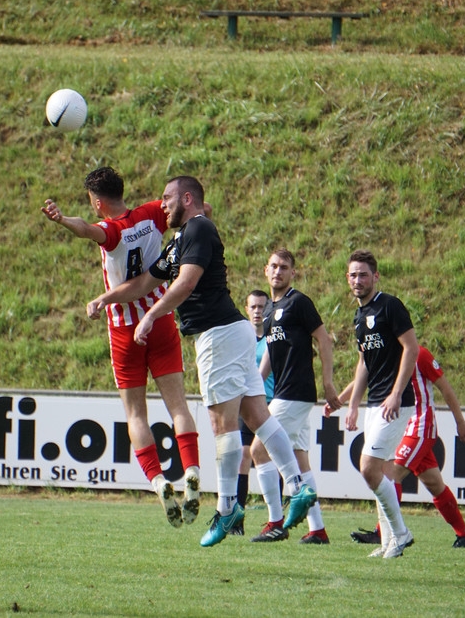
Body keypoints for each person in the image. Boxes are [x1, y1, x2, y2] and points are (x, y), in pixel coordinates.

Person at [87, 176, 316, 548]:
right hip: (233, 332)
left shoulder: (199, 229)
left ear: (187, 198)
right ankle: (299, 486)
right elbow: (145, 282)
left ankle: (227, 509)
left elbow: (186, 283)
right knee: (256, 416)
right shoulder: (180, 238)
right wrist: (105, 298)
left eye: (167, 198)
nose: (162, 205)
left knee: (221, 423)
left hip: (218, 334)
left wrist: (151, 315)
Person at [41, 167, 201, 528]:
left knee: (136, 415)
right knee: (178, 405)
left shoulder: (110, 231)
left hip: (124, 329)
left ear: (97, 202)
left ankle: (158, 481)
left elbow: (87, 229)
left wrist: (62, 220)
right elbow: (184, 209)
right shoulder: (152, 214)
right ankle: (191, 470)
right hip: (159, 318)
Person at [329, 346, 465, 548]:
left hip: (420, 425)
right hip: (401, 424)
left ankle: (384, 532)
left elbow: (445, 388)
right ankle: (464, 534)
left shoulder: (420, 354)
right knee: (434, 483)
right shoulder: (388, 352)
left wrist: (460, 421)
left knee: (391, 474)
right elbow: (363, 377)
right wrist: (339, 401)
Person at [250, 249, 341, 544]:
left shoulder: (298, 302)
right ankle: (318, 530)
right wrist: (256, 384)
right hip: (287, 393)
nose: (278, 271)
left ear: (293, 273)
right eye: (274, 266)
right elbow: (270, 353)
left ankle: (276, 522)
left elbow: (323, 339)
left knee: (258, 450)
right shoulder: (269, 310)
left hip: (295, 393)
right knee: (301, 460)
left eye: (284, 267)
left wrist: (328, 383)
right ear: (266, 270)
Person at [343, 249, 418, 559]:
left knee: (368, 468)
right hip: (375, 403)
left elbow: (411, 348)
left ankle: (401, 534)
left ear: (375, 277)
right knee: (380, 474)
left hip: (396, 402)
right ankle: (388, 541)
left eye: (363, 274)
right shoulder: (359, 316)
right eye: (353, 275)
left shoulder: (390, 306)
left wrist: (397, 392)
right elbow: (364, 363)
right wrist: (353, 405)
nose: (357, 280)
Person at [231, 289, 275, 537]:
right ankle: (237, 520)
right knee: (242, 457)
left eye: (262, 307)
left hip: (271, 404)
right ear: (246, 309)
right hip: (246, 403)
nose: (257, 311)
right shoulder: (241, 338)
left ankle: (276, 520)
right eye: (253, 307)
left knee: (273, 458)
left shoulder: (274, 337)